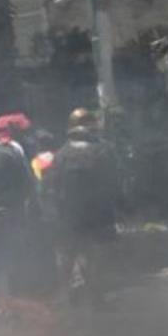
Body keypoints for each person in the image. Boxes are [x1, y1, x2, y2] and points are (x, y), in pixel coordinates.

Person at [42, 108, 122, 302]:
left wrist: (53, 212)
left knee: (68, 254)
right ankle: (94, 294)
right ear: (93, 127)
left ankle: (66, 293)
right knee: (95, 254)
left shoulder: (61, 154)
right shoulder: (104, 150)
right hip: (98, 213)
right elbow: (115, 182)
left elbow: (50, 186)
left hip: (68, 214)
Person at [0, 112, 39, 296]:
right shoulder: (15, 151)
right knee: (16, 254)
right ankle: (18, 298)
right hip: (11, 212)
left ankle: (3, 297)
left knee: (1, 255)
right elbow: (28, 183)